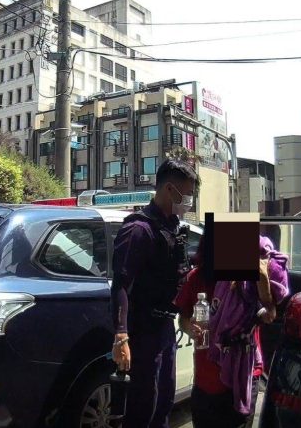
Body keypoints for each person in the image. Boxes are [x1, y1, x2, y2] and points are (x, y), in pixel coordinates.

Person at [110, 158, 199, 428]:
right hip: (142, 331)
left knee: (163, 402)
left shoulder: (171, 227)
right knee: (143, 407)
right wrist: (121, 336)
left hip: (164, 329)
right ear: (170, 189)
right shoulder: (139, 229)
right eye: (188, 193)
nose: (190, 201)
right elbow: (121, 284)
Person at [176, 235, 289, 428]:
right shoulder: (197, 277)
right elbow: (183, 318)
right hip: (206, 378)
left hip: (243, 376)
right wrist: (190, 328)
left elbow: (270, 313)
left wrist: (261, 274)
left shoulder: (248, 281)